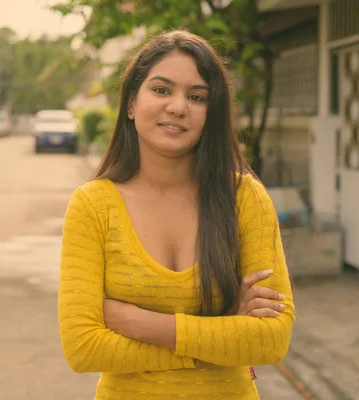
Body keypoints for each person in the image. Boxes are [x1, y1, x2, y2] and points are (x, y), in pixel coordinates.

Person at [58, 29, 295, 400]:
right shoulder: (93, 205)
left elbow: (271, 340)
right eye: (162, 90)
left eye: (197, 96)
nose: (178, 107)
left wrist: (138, 323)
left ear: (209, 113)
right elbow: (83, 347)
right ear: (132, 103)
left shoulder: (244, 198)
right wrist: (220, 333)